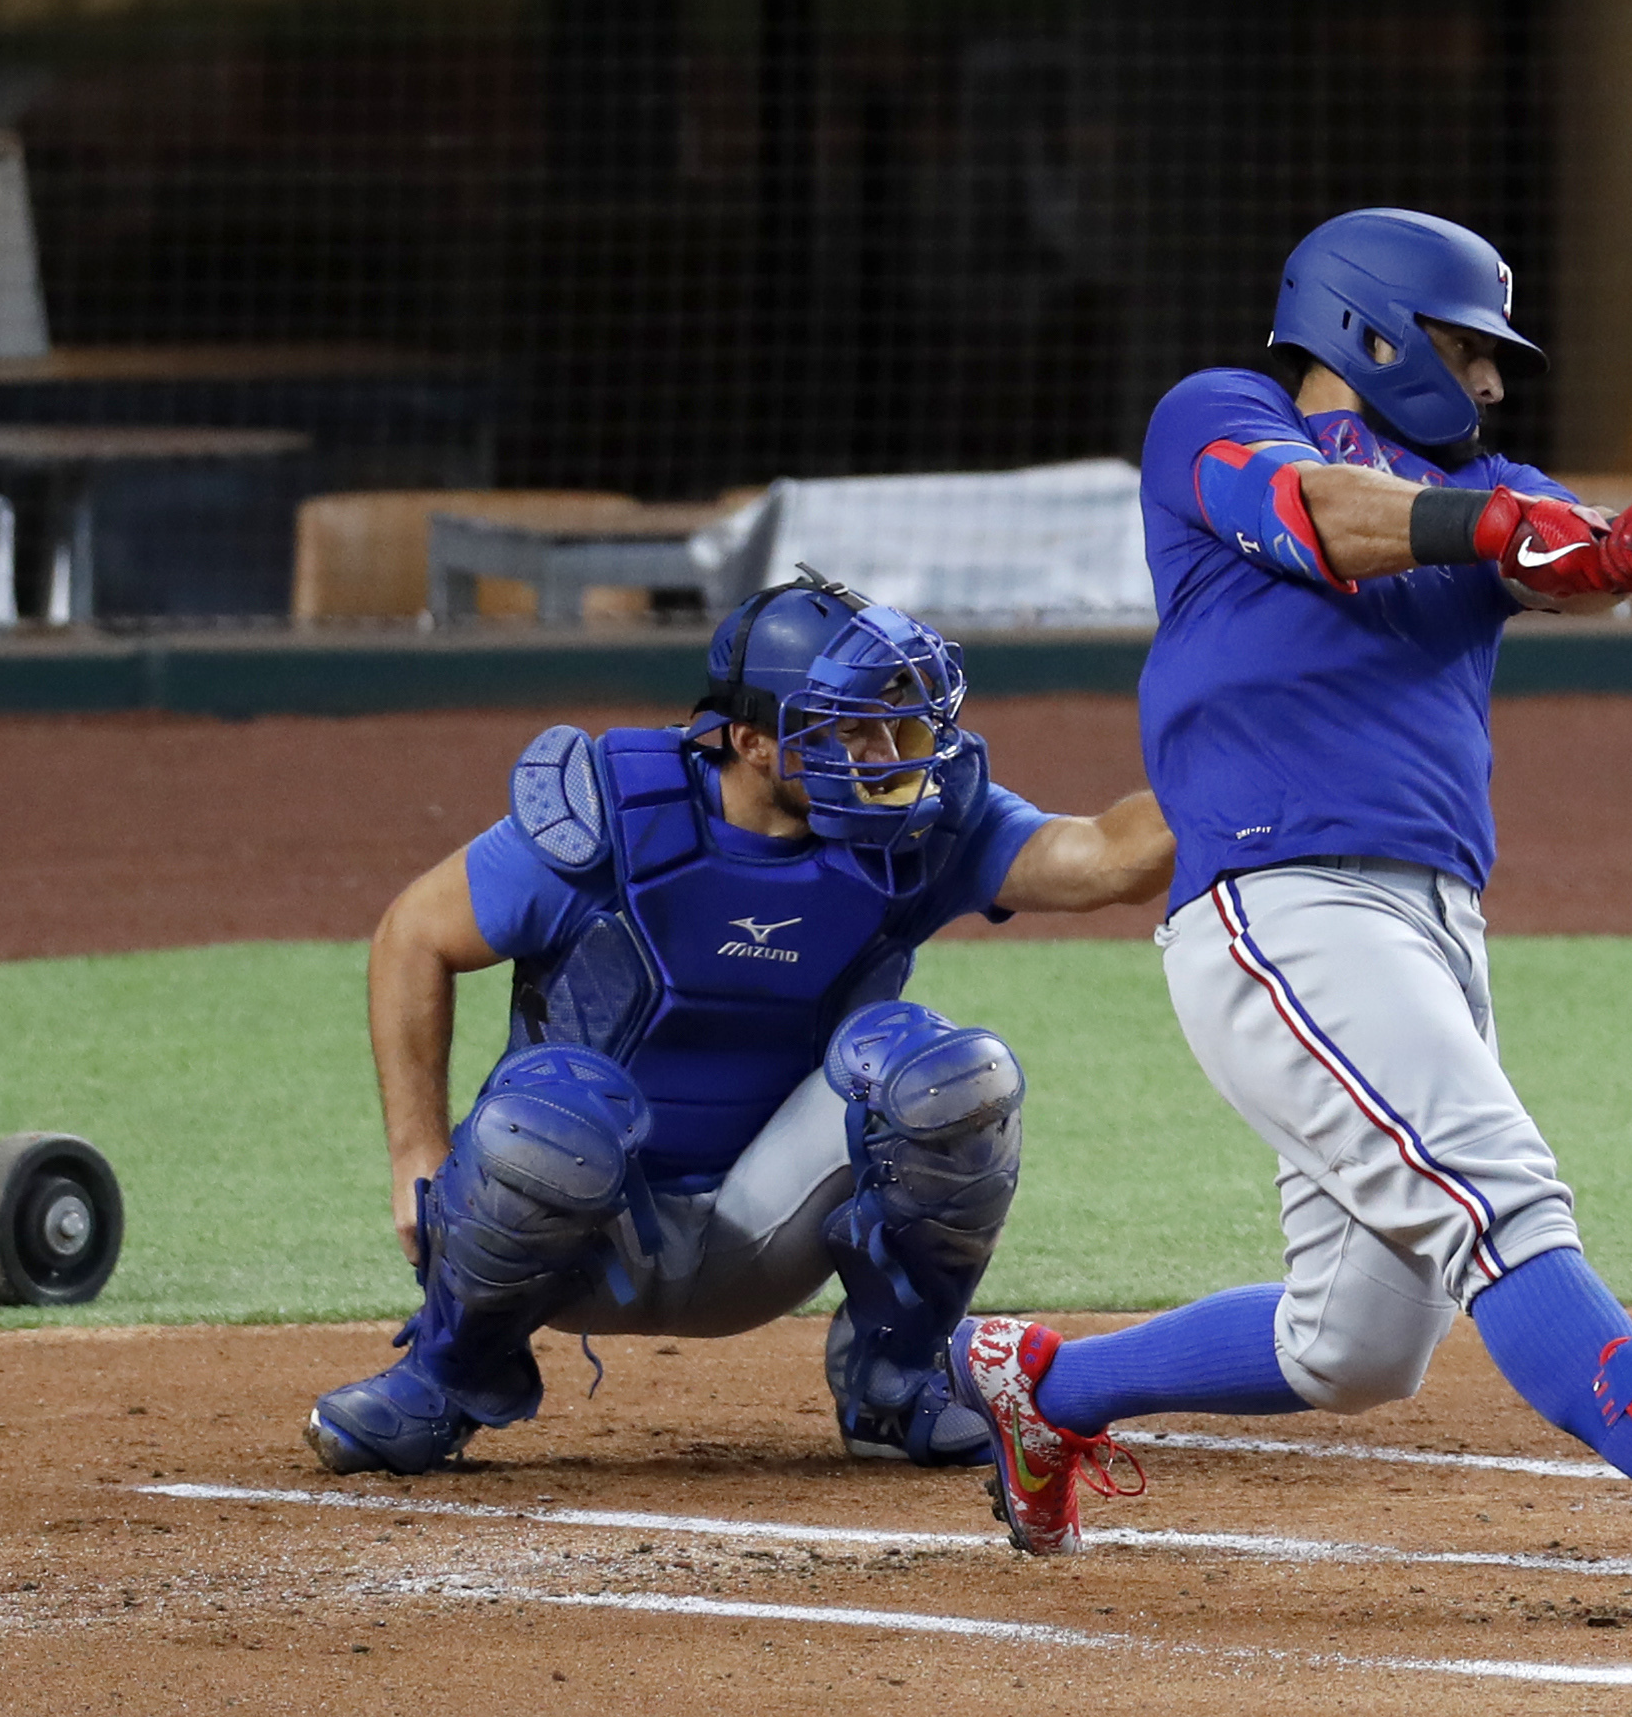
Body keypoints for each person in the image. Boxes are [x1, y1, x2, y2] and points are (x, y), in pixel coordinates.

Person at [942, 207, 1632, 1611]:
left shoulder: (1488, 478)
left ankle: (1046, 1384)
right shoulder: (1215, 417)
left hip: (1426, 917)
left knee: (1353, 1344)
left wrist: (1599, 553)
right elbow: (1309, 518)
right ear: (1368, 330)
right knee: (1497, 1192)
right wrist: (1503, 523)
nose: (1486, 385)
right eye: (1465, 350)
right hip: (1279, 896)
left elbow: (1545, 544)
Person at [305, 572, 1172, 1476]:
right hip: (577, 1230)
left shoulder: (912, 827)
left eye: (892, 720)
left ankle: (893, 1382)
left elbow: (1106, 860)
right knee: (553, 1115)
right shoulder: (613, 816)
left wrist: (1234, 784)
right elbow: (414, 934)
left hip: (767, 1227)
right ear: (754, 741)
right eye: (848, 728)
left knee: (952, 1077)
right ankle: (444, 1380)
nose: (883, 753)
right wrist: (414, 1152)